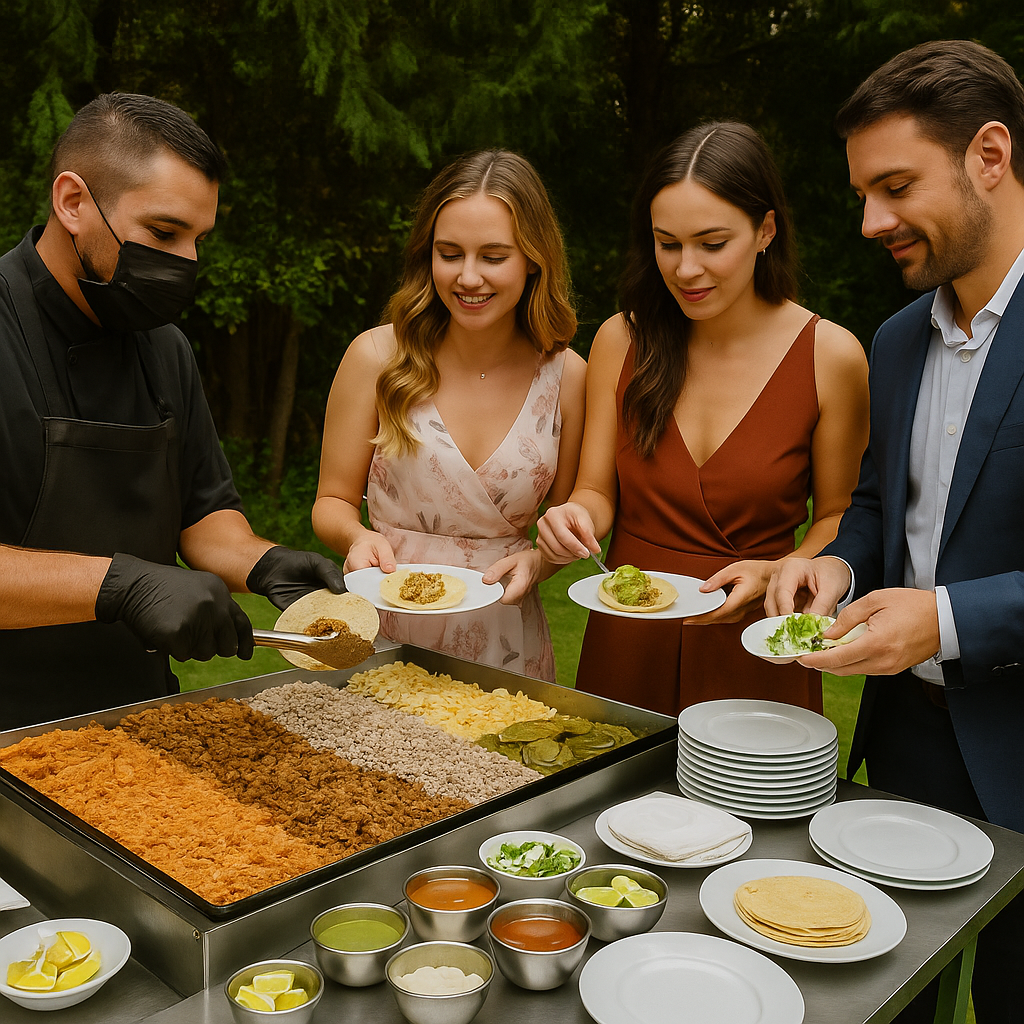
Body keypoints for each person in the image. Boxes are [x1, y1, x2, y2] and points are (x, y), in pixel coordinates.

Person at [765, 40, 1024, 1024]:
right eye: (861, 192)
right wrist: (832, 564)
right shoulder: (896, 339)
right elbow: (879, 505)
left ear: (988, 154)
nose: (870, 221)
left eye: (894, 186)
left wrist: (946, 619)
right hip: (899, 756)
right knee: (882, 1000)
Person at [0, 93, 344, 732]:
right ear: (73, 202)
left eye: (197, 239)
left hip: (140, 713)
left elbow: (203, 515)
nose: (185, 262)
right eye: (163, 233)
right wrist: (123, 584)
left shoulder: (164, 346)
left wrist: (261, 561)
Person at [537, 122, 869, 716]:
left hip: (755, 640)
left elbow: (841, 515)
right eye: (668, 243)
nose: (686, 269)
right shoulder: (622, 337)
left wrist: (781, 571)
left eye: (712, 244)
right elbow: (594, 489)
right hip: (627, 634)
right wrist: (574, 518)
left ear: (766, 230)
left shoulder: (831, 355)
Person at [312, 150, 586, 681]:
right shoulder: (374, 358)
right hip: (386, 622)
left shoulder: (567, 376)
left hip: (506, 634)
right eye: (450, 253)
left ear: (533, 258)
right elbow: (331, 501)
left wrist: (542, 561)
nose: (468, 277)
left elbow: (567, 520)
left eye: (493, 256)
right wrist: (355, 537)